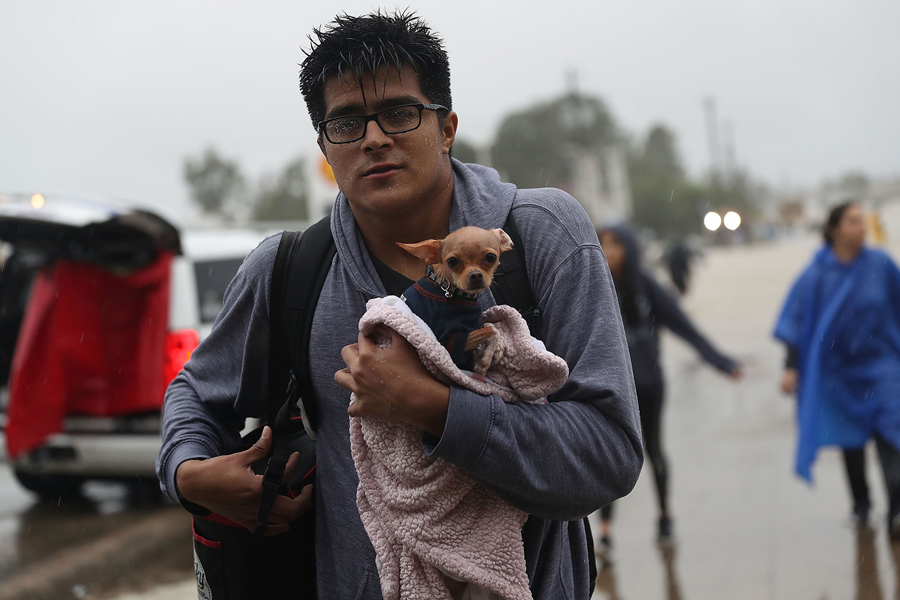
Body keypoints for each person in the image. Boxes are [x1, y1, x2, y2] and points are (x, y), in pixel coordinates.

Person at [156, 10, 643, 599]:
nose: (374, 139)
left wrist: (434, 408)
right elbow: (195, 390)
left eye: (399, 112)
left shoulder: (542, 235)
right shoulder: (290, 269)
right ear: (325, 148)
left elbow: (610, 456)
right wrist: (188, 474)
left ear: (446, 128)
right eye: (346, 123)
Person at [596, 224, 741, 560]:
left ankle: (664, 516)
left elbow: (684, 327)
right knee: (608, 456)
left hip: (649, 386)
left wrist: (721, 362)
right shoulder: (592, 288)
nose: (609, 251)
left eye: (616, 244)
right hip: (611, 390)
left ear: (629, 249)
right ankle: (605, 531)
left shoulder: (647, 287)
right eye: (603, 244)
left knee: (655, 451)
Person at [774, 201, 900, 536]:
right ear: (834, 230)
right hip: (838, 371)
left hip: (883, 365)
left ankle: (897, 510)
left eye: (863, 221)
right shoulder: (816, 274)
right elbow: (796, 322)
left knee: (892, 431)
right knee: (850, 439)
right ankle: (861, 505)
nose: (861, 227)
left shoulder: (881, 265)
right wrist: (791, 367)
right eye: (853, 221)